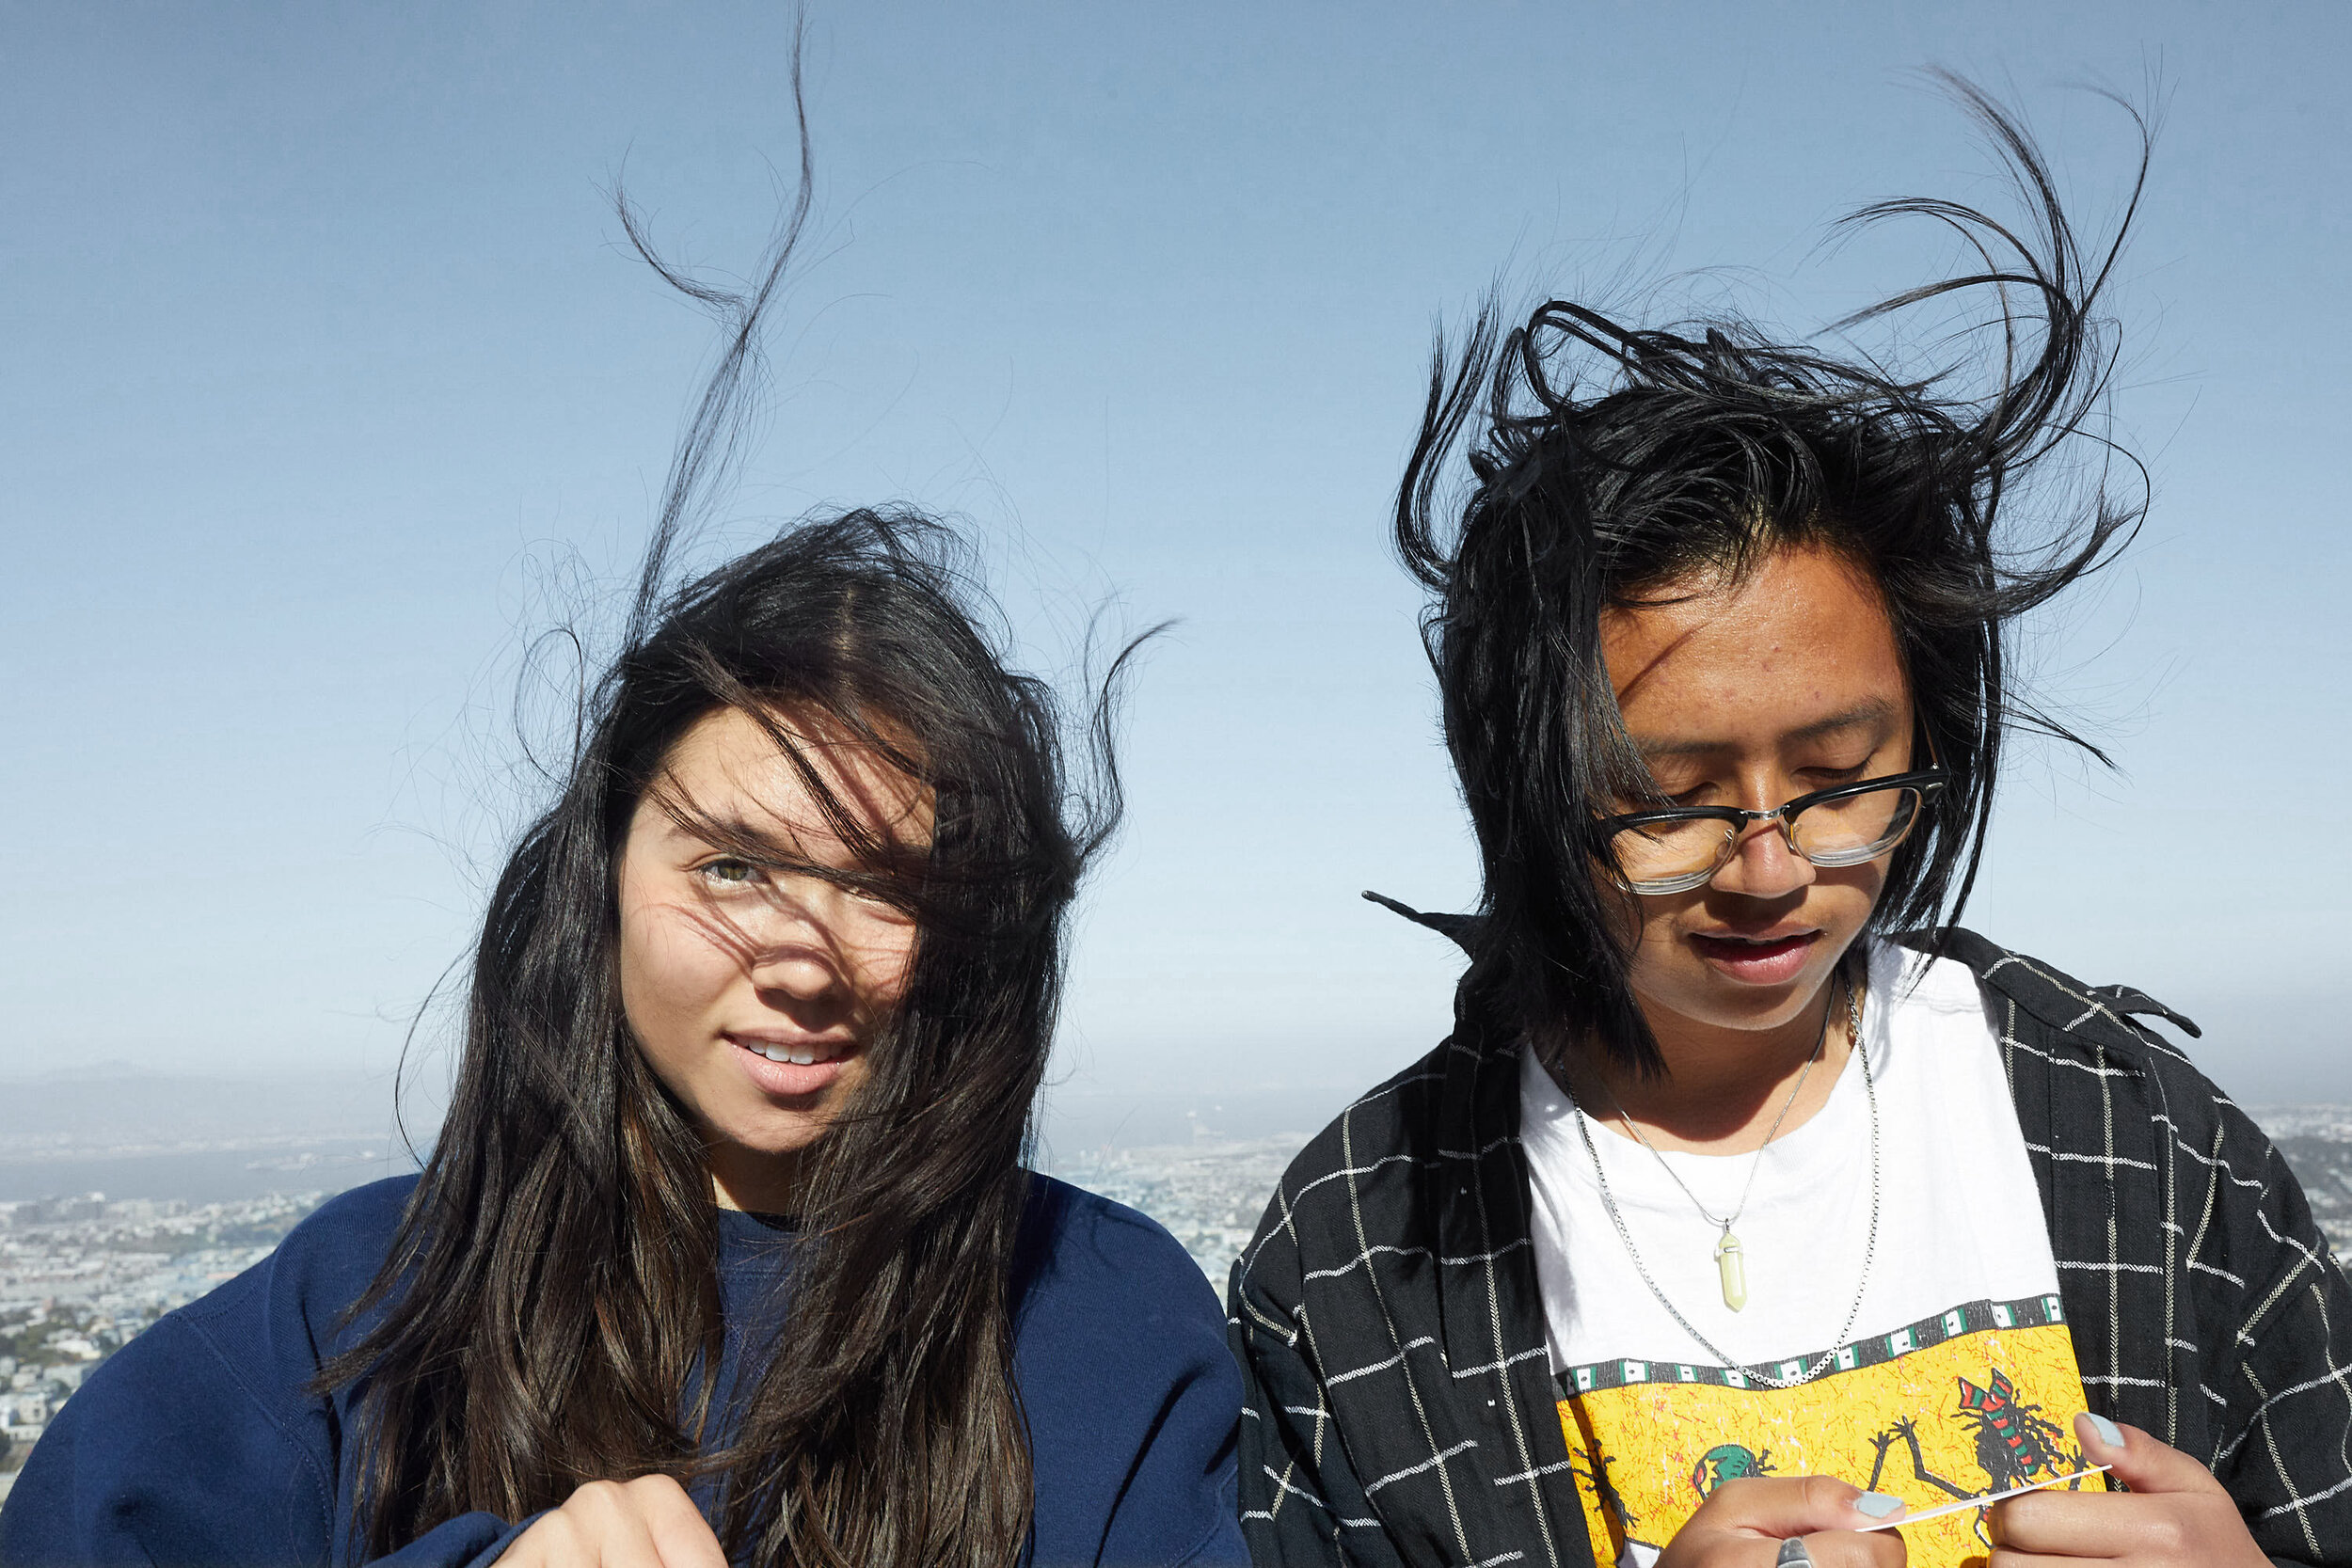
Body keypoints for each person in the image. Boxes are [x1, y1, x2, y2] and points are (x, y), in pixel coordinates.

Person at [0, 105, 1245, 1568]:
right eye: (733, 867)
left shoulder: (1105, 1326)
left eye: (886, 886)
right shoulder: (363, 1308)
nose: (802, 959)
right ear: (600, 878)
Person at [1231, 79, 2352, 1568]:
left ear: (1929, 739)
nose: (1770, 870)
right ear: (1525, 792)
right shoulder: (1361, 1261)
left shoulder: (2132, 1139)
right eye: (1667, 800)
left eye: (1838, 778)